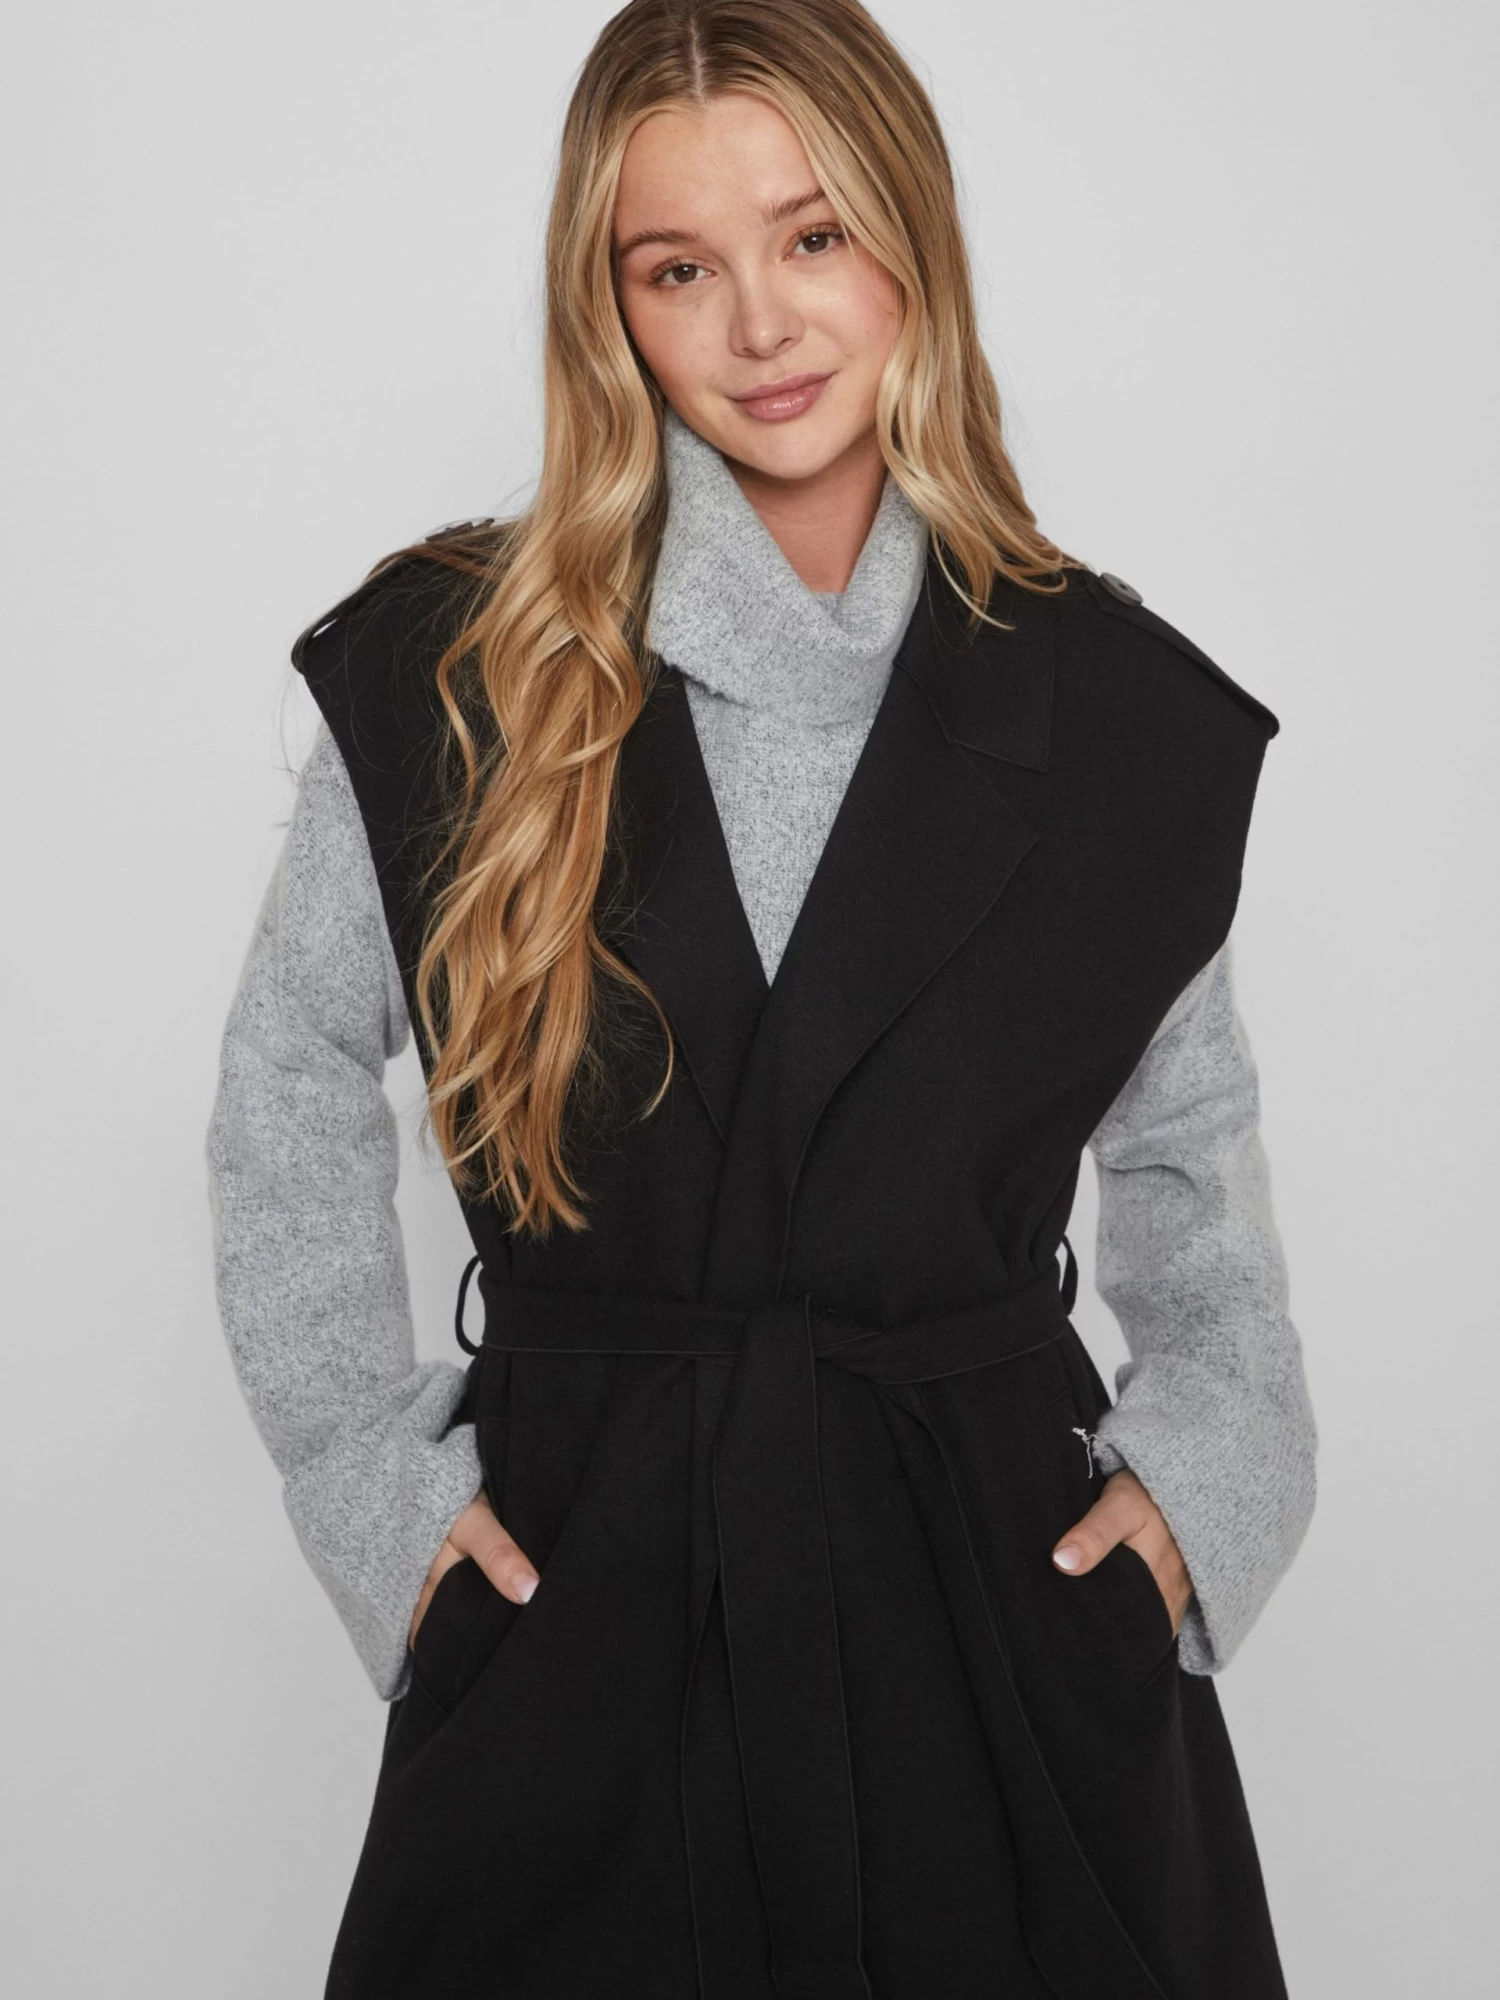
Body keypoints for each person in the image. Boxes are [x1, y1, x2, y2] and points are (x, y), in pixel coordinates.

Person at [205, 3, 1318, 1995]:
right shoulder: (460, 667)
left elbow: (1194, 1147)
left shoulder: (1114, 708)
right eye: (678, 268)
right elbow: (285, 1079)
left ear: (913, 236)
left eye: (814, 236)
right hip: (579, 1599)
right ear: (609, 306)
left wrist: (1204, 1480)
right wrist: (377, 1496)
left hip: (1001, 1613)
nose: (760, 325)